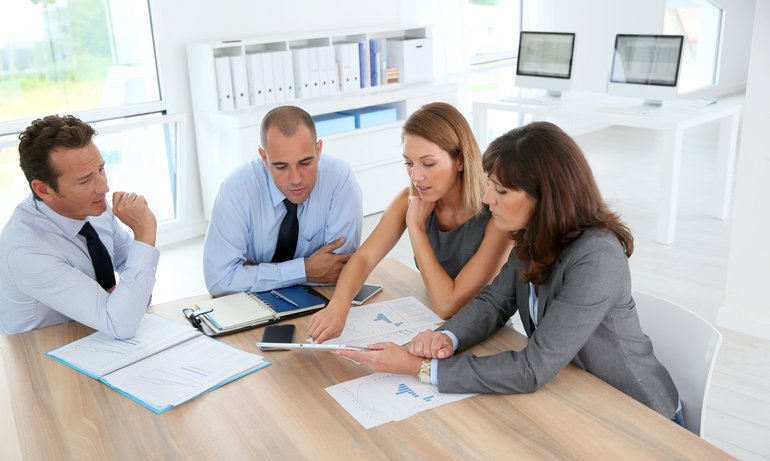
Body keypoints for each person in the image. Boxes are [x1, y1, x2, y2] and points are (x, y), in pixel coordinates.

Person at [337, 121, 682, 423]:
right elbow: (493, 302)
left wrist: (420, 368)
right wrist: (446, 337)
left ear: (546, 196)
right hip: (575, 394)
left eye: (501, 190)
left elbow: (532, 368)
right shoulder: (532, 235)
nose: (487, 199)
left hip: (638, 415)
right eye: (491, 185)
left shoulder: (597, 257)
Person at [308, 102, 512, 343]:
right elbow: (363, 259)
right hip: (431, 319)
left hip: (485, 333)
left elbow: (449, 304)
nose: (416, 176)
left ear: (460, 160)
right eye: (409, 163)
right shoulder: (411, 198)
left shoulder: (497, 213)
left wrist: (416, 229)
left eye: (428, 164)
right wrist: (338, 305)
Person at [0, 115, 159, 339]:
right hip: (40, 351)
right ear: (44, 190)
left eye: (101, 169)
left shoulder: (96, 210)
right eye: (85, 180)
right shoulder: (26, 249)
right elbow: (122, 322)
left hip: (95, 336)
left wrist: (123, 301)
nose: (104, 187)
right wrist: (144, 233)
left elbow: (138, 294)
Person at [203, 105, 363, 296]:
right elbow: (220, 281)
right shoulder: (236, 190)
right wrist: (306, 270)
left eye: (305, 163)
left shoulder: (340, 179)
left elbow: (337, 270)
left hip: (320, 300)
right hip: (252, 306)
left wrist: (254, 272)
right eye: (281, 166)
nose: (296, 179)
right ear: (264, 158)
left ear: (318, 150)